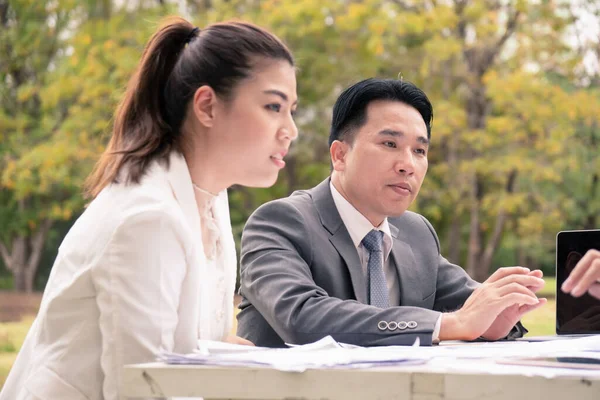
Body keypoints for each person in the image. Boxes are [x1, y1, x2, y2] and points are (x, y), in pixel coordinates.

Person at [0, 17, 297, 400]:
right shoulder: (148, 217)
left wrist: (227, 357)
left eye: (292, 110)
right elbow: (142, 389)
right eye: (273, 106)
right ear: (207, 106)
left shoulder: (210, 201)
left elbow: (188, 350)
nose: (290, 129)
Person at [237, 78, 545, 348]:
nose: (407, 164)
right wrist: (450, 325)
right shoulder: (279, 223)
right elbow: (301, 317)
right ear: (340, 155)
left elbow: (473, 307)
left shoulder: (416, 233)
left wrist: (496, 318)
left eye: (419, 151)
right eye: (390, 143)